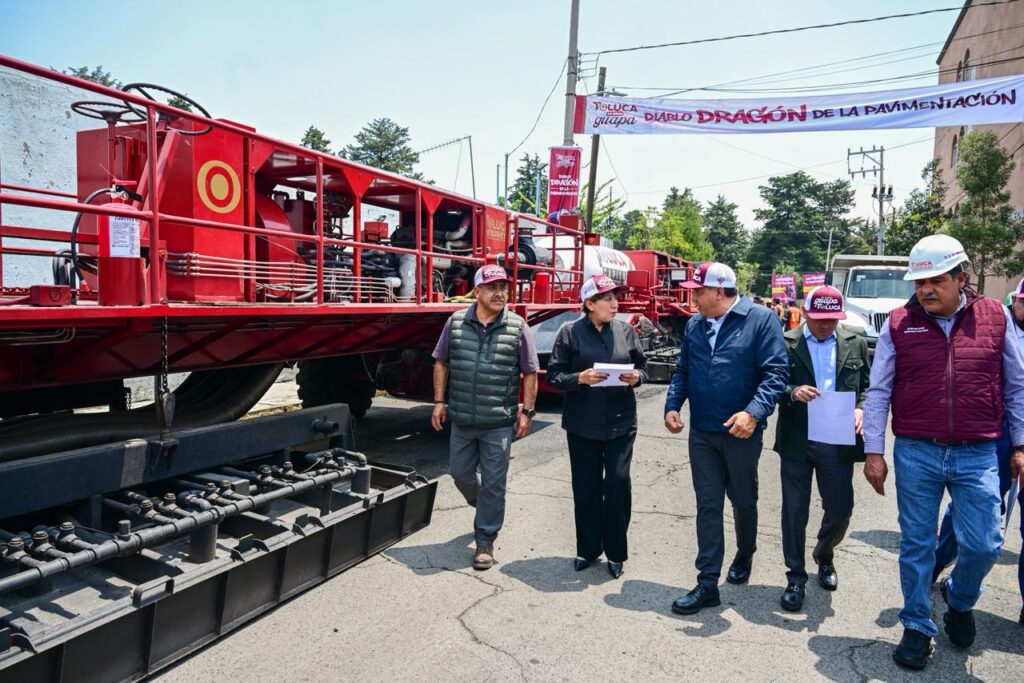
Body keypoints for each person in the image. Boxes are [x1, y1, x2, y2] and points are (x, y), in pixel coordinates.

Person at [861, 235, 1024, 670]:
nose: (925, 290)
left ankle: (959, 597)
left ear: (961, 278)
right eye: (919, 282)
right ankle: (916, 624)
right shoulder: (898, 323)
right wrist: (873, 450)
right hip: (916, 451)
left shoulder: (996, 317)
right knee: (917, 544)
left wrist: (1022, 443)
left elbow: (1015, 385)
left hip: (978, 452)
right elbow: (878, 392)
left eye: (935, 280)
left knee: (986, 543)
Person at [664, 262, 789, 614]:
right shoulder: (694, 324)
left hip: (741, 432)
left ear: (719, 292)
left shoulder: (761, 320)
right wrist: (673, 405)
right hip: (703, 431)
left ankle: (745, 551)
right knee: (708, 505)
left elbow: (776, 373)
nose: (693, 298)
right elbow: (683, 370)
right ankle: (707, 583)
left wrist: (753, 413)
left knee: (743, 500)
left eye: (698, 291)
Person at [431, 264, 540, 570]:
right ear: (476, 292)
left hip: (498, 423)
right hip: (463, 419)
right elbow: (441, 362)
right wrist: (439, 401)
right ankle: (486, 508)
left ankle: (485, 540)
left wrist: (527, 412)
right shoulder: (454, 323)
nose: (500, 293)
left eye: (503, 287)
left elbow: (530, 371)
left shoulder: (518, 327)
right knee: (460, 474)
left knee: (494, 483)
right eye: (492, 287)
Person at [932, 276, 1024, 625]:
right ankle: (940, 563)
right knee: (972, 512)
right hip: (993, 435)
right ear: (1015, 300)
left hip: (1013, 436)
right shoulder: (994, 323)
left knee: (992, 537)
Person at [773, 286, 870, 612]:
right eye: (819, 320)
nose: (826, 325)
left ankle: (824, 554)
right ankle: (795, 577)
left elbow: (869, 388)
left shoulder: (855, 341)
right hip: (798, 436)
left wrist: (861, 409)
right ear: (806, 312)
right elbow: (771, 384)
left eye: (832, 320)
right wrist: (792, 391)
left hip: (838, 435)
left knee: (841, 508)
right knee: (794, 511)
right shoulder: (787, 342)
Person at [546, 274, 649, 579]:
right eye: (607, 299)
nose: (615, 304)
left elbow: (643, 366)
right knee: (586, 487)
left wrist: (637, 378)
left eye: (615, 297)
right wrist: (580, 378)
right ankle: (588, 549)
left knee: (617, 484)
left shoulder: (627, 331)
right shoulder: (569, 333)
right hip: (582, 424)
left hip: (620, 422)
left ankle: (616, 552)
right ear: (589, 304)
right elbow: (553, 376)